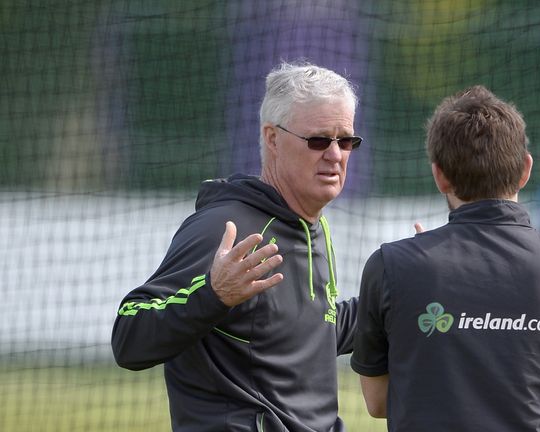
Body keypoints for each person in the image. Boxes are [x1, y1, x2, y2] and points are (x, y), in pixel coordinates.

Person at [112, 61, 361, 432]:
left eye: (346, 141)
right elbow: (129, 337)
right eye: (319, 140)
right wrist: (213, 295)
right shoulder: (225, 227)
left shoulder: (314, 227)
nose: (336, 155)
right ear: (272, 139)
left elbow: (304, 332)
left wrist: (404, 288)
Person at [350, 85, 540, 431]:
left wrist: (424, 272)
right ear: (525, 169)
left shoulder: (391, 266)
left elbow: (378, 401)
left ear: (439, 175)